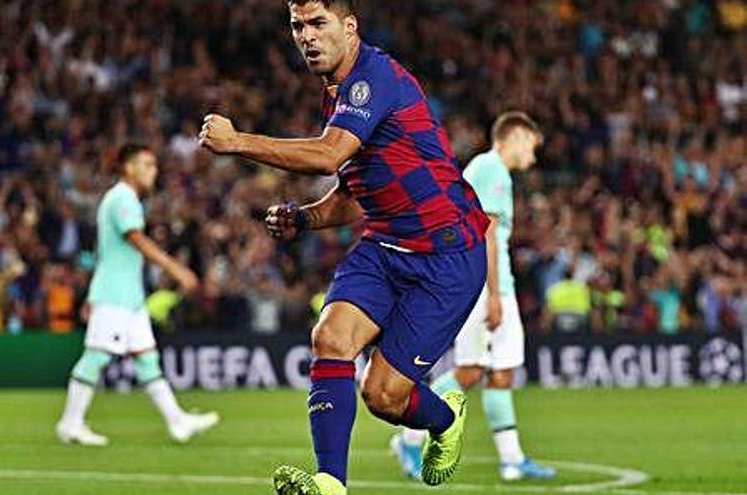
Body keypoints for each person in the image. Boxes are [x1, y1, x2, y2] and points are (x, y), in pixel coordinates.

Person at [199, 1, 489, 493]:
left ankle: (443, 419)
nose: (306, 36)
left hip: (446, 254)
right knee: (329, 339)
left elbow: (329, 155)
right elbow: (359, 192)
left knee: (383, 396)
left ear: (349, 27)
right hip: (384, 244)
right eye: (297, 26)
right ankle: (331, 484)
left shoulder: (371, 79)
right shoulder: (338, 94)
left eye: (318, 23)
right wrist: (307, 218)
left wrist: (237, 142)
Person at [390, 112, 557, 482]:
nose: (533, 157)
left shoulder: (490, 171)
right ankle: (410, 438)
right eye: (531, 146)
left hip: (495, 284)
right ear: (514, 137)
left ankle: (512, 460)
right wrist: (493, 294)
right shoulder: (490, 168)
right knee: (470, 370)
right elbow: (486, 235)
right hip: (482, 284)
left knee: (500, 373)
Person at [55, 144, 219, 446]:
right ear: (129, 167)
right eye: (147, 164)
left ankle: (177, 421)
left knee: (147, 360)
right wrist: (176, 269)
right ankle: (70, 423)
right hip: (115, 294)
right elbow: (136, 239)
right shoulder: (122, 198)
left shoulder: (123, 199)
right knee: (96, 356)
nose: (153, 170)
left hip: (128, 296)